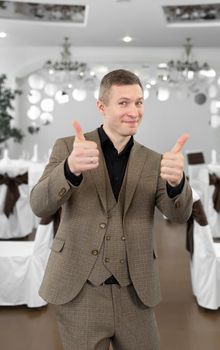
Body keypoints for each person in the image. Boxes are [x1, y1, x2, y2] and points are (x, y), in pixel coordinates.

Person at [30, 69, 192, 350]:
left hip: (136, 292)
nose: (134, 111)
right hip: (80, 291)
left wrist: (178, 185)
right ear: (102, 107)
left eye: (139, 102)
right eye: (124, 102)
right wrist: (68, 170)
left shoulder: (154, 161)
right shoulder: (69, 147)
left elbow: (178, 215)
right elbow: (39, 204)